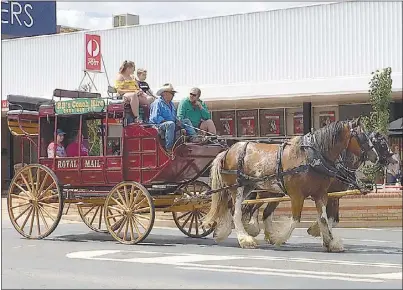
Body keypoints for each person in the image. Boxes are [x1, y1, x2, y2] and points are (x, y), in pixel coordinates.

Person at [149, 83, 199, 152]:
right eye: (172, 93)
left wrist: (177, 120)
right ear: (164, 93)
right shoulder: (157, 103)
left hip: (171, 124)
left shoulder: (171, 104)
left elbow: (173, 116)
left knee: (186, 121)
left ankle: (194, 138)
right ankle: (169, 148)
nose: (173, 95)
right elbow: (155, 118)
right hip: (158, 126)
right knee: (170, 124)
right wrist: (167, 121)